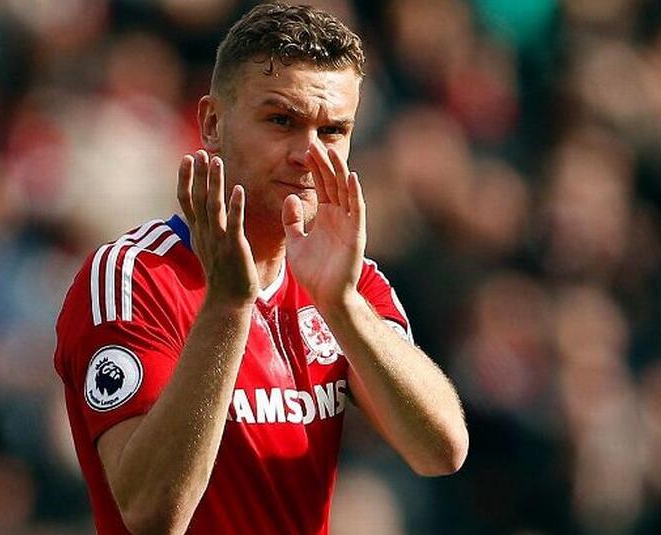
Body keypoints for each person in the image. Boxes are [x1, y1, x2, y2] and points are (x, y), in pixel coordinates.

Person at [53, 3, 468, 534]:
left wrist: (341, 305)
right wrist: (228, 308)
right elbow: (152, 514)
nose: (308, 154)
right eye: (281, 121)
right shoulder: (132, 277)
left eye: (333, 131)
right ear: (211, 123)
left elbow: (440, 451)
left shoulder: (345, 279)